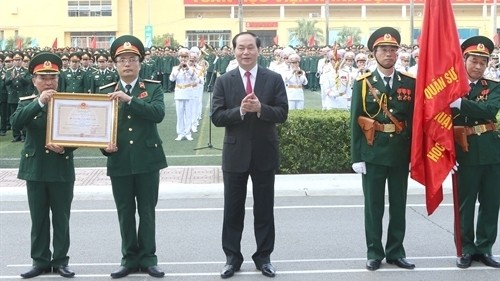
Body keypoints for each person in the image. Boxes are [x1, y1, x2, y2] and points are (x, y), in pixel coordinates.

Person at [211, 31, 288, 279]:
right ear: (234, 51)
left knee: (264, 209)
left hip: (265, 152)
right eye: (241, 48)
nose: (246, 52)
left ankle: (263, 257)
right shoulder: (224, 80)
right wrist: (241, 111)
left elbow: (282, 113)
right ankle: (232, 258)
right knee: (232, 210)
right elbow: (217, 116)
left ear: (259, 50)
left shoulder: (273, 78)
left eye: (250, 48)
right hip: (235, 154)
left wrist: (261, 109)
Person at [98, 35, 168, 279]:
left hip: (148, 159)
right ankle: (129, 259)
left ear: (140, 63)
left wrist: (129, 101)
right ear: (115, 64)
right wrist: (105, 148)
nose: (127, 63)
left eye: (132, 59)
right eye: (122, 60)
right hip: (119, 160)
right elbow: (100, 128)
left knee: (147, 210)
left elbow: (157, 113)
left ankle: (149, 258)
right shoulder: (105, 91)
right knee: (125, 211)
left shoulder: (152, 87)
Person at [350, 27, 416, 271]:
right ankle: (374, 252)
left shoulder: (409, 82)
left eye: (392, 50)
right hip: (373, 151)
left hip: (400, 152)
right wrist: (356, 157)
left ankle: (396, 251)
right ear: (374, 53)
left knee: (399, 205)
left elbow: (415, 121)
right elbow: (355, 119)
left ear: (398, 54)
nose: (388, 54)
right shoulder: (364, 83)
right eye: (383, 50)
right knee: (373, 206)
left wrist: (415, 155)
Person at [10, 52, 76, 278]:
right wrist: (40, 102)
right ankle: (39, 261)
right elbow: (16, 123)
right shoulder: (27, 102)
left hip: (61, 167)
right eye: (43, 78)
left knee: (61, 218)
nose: (49, 82)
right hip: (36, 168)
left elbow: (80, 133)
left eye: (53, 78)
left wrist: (66, 148)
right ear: (34, 80)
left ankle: (60, 261)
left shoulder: (69, 102)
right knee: (38, 218)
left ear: (58, 79)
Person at [450, 36, 500, 269]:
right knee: (465, 203)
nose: (479, 66)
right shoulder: (451, 87)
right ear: (464, 60)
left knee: (491, 202)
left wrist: (461, 104)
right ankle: (466, 249)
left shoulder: (493, 87)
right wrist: (447, 153)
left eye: (483, 62)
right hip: (464, 151)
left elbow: (489, 110)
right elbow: (439, 123)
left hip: (491, 151)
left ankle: (485, 248)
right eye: (474, 61)